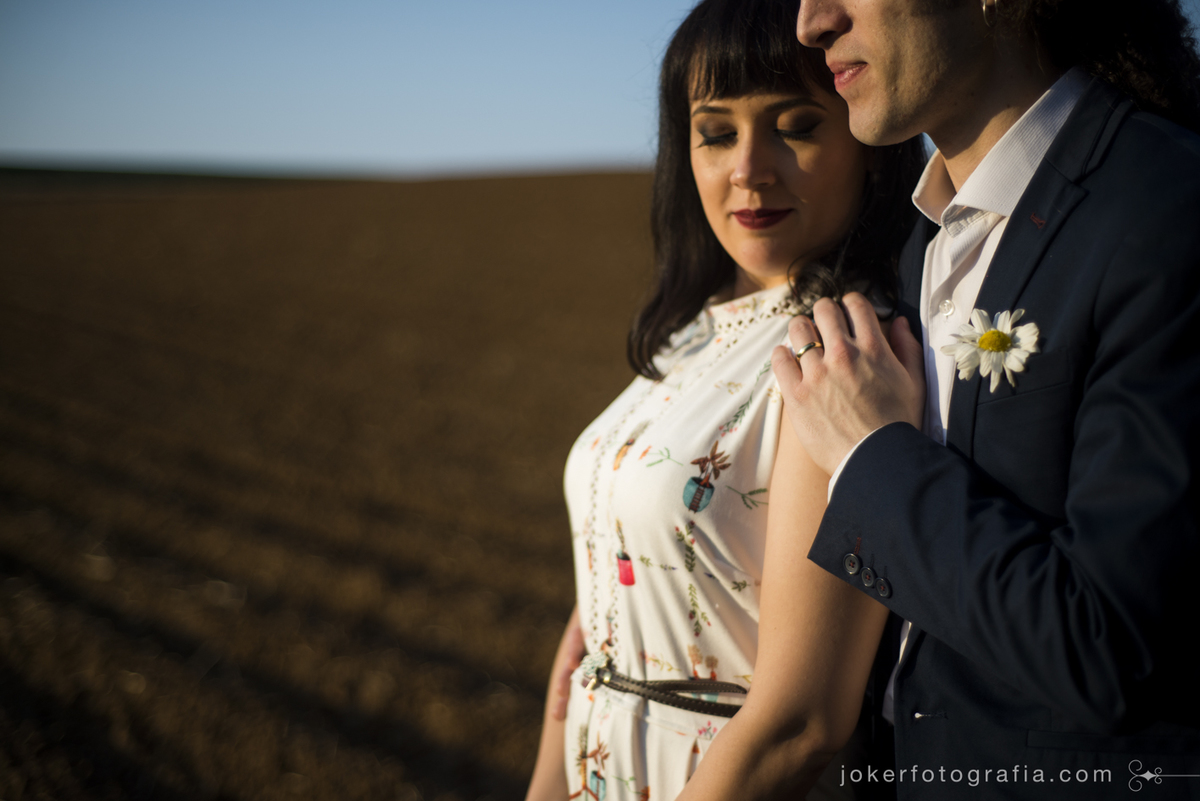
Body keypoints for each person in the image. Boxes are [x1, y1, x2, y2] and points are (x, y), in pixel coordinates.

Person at [769, 0, 1200, 798]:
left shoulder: (1169, 209)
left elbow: (1109, 648)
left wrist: (871, 454)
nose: (810, 21)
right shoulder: (925, 239)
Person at [524, 1, 926, 799]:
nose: (749, 167)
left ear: (870, 148)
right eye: (715, 133)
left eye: (797, 125)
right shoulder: (687, 338)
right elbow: (594, 628)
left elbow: (802, 719)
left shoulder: (840, 360)